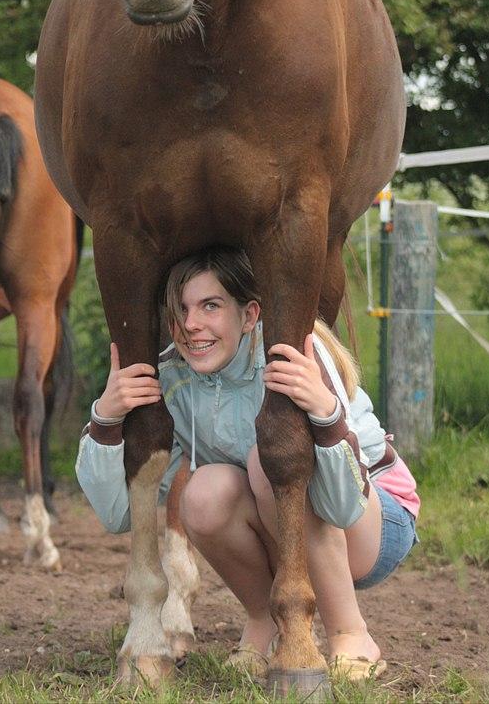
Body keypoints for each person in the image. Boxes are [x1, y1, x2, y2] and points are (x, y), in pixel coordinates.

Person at [76, 246, 419, 681]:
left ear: (250, 314)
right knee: (200, 493)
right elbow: (118, 514)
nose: (192, 325)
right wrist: (105, 419)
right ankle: (265, 622)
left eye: (211, 306)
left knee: (270, 458)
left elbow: (344, 506)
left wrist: (325, 413)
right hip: (287, 526)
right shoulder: (175, 378)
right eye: (181, 309)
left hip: (375, 520)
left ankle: (351, 632)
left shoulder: (293, 358)